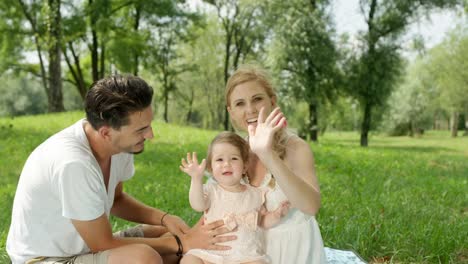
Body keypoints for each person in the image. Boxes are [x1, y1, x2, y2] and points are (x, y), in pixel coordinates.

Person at [6, 75, 235, 264]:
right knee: (144, 257)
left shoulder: (118, 146)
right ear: (106, 132)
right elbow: (102, 244)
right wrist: (181, 244)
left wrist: (165, 218)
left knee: (164, 234)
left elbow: (116, 199)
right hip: (49, 259)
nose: (150, 135)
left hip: (84, 247)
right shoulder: (74, 164)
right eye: (141, 130)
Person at [225, 65, 327, 264]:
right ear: (231, 112)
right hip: (249, 252)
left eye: (257, 99)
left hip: (294, 251)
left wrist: (268, 155)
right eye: (240, 103)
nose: (250, 109)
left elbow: (311, 206)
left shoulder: (296, 147)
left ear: (272, 101)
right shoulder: (233, 153)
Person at [179, 132, 290, 264]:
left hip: (245, 257)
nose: (226, 164)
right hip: (210, 254)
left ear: (244, 167)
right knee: (189, 260)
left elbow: (262, 221)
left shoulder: (256, 194)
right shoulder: (211, 190)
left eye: (234, 159)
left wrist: (277, 215)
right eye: (220, 160)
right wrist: (196, 178)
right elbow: (198, 205)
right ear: (211, 167)